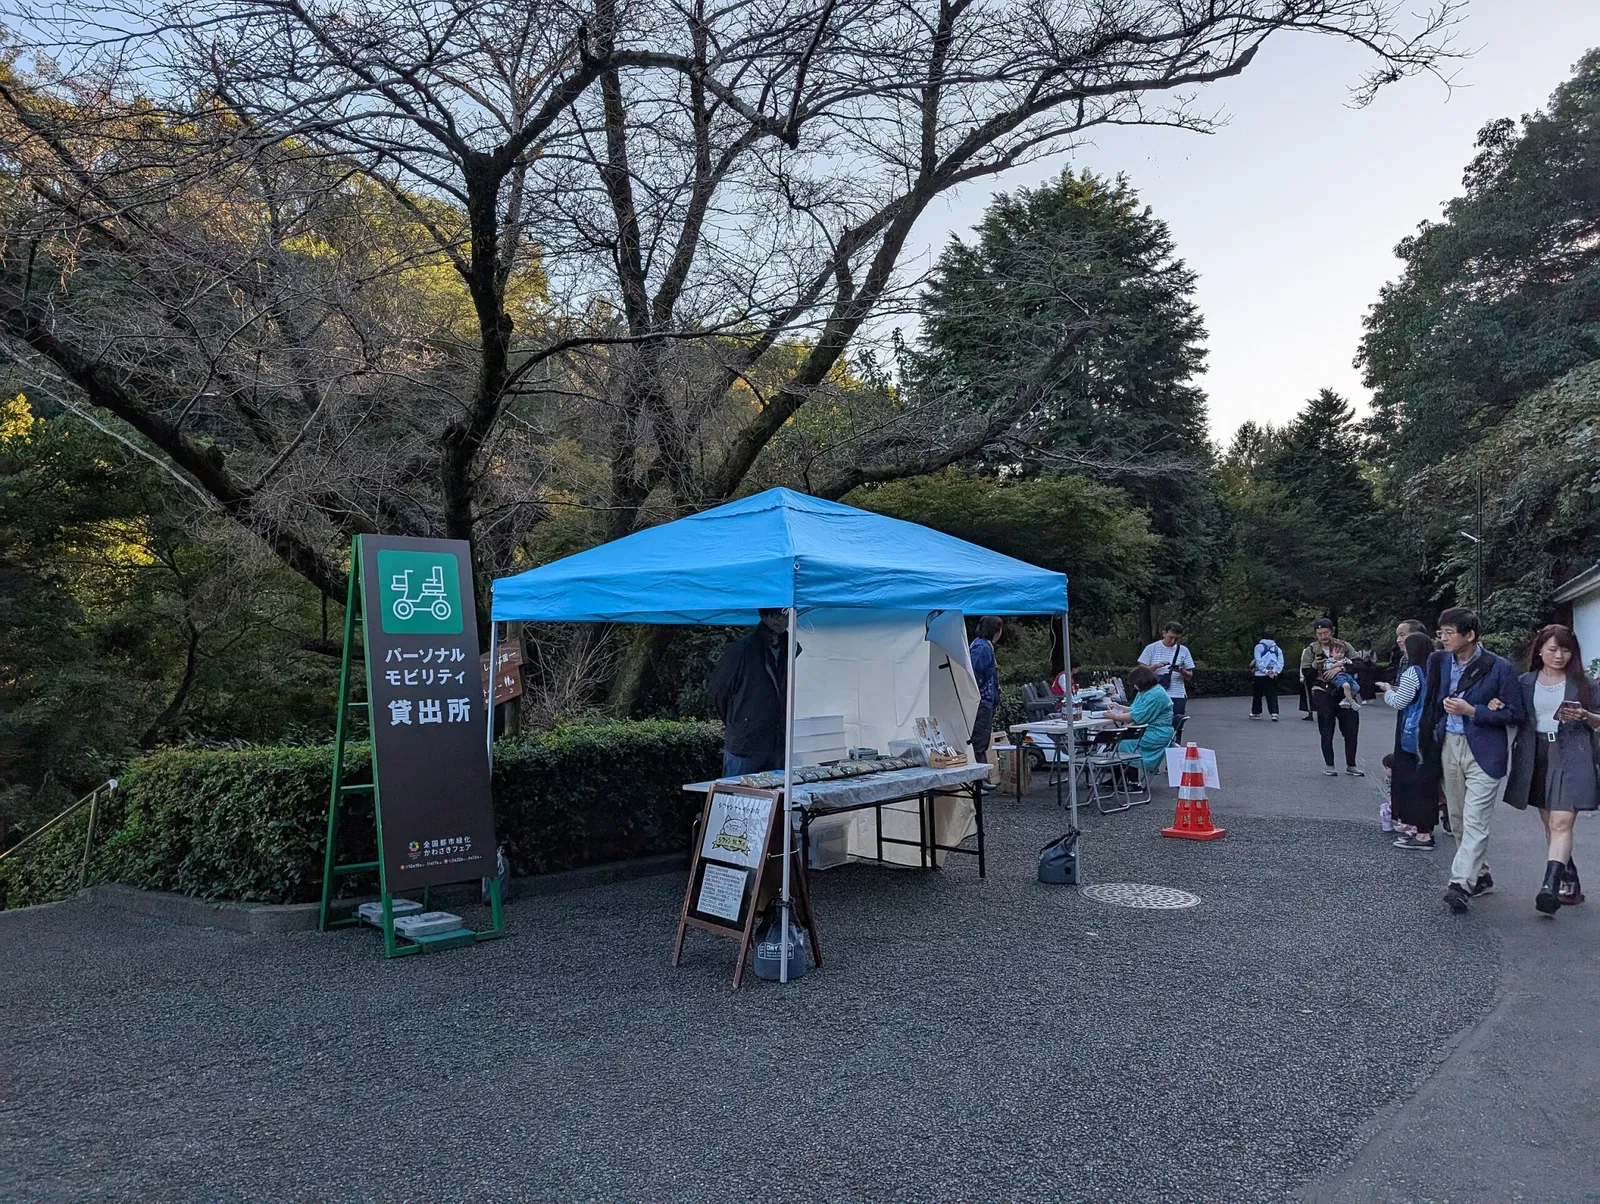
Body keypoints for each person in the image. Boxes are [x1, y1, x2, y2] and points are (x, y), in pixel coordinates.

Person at [1418, 607, 1525, 914]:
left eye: (1449, 633)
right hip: (1448, 744)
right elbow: (1431, 703)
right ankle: (1480, 874)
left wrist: (1474, 710)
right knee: (1458, 819)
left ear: (1470, 635)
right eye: (1441, 633)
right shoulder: (1438, 661)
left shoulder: (1499, 667)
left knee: (1475, 819)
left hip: (1484, 750)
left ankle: (1460, 884)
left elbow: (1516, 713)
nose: (1443, 639)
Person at [1501, 625, 1600, 914]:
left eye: (1566, 649)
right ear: (1540, 649)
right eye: (1553, 649)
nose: (1559, 655)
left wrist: (1585, 715)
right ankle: (1570, 878)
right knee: (1549, 823)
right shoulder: (1525, 682)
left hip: (1573, 752)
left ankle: (1549, 886)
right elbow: (1514, 714)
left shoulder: (1585, 684)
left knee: (1560, 823)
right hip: (1537, 753)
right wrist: (1497, 704)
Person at [1377, 630, 1443, 850]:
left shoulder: (1412, 672)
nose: (1402, 648)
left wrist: (1387, 691)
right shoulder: (1437, 668)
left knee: (1416, 781)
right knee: (1430, 780)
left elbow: (1400, 701)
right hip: (1436, 729)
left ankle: (1421, 833)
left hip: (1415, 731)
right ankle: (1428, 829)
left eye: (1405, 645)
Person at [708, 608, 794, 777]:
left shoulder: (789, 648)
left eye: (785, 615)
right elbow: (719, 692)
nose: (780, 620)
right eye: (774, 615)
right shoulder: (743, 649)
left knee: (775, 796)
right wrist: (739, 721)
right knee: (738, 794)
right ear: (763, 616)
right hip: (745, 744)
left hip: (777, 742)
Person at [1306, 619, 1364, 776]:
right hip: (1322, 691)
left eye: (1326, 633)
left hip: (1344, 690)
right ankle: (1329, 764)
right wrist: (1315, 666)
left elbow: (1360, 664)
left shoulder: (1344, 646)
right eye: (1319, 634)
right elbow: (1306, 676)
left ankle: (1351, 764)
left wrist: (1340, 668)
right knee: (1326, 728)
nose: (1323, 636)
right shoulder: (1310, 650)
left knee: (1351, 728)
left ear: (1332, 631)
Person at [1107, 665, 1175, 775]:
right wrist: (1119, 708)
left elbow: (1136, 716)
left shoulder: (1156, 695)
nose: (1134, 686)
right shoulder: (1148, 691)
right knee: (1120, 739)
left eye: (1134, 683)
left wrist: (1114, 716)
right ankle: (1119, 778)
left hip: (1157, 732)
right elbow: (1136, 710)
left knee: (1126, 743)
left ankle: (1131, 780)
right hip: (1150, 730)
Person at [968, 616, 1003, 785]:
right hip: (981, 702)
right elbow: (974, 674)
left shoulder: (983, 646)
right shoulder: (982, 648)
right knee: (979, 741)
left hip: (985, 701)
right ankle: (977, 782)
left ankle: (981, 779)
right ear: (996, 631)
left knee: (982, 740)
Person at [1139, 621, 1194, 723]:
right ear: (1164, 633)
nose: (1173, 641)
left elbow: (1190, 675)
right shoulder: (1151, 648)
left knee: (1176, 725)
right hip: (1155, 694)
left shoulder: (1184, 650)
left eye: (1176, 639)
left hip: (1177, 694)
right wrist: (1155, 666)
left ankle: (1176, 739)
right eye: (1170, 637)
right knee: (1154, 723)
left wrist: (1181, 670)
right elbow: (1141, 673)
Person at [1249, 628, 1284, 720]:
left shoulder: (1258, 647)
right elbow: (1280, 662)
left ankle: (1256, 712)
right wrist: (1275, 671)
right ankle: (1274, 713)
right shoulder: (1277, 649)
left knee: (1257, 695)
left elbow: (1258, 661)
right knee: (1272, 694)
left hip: (1259, 675)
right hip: (1272, 675)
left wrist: (1265, 671)